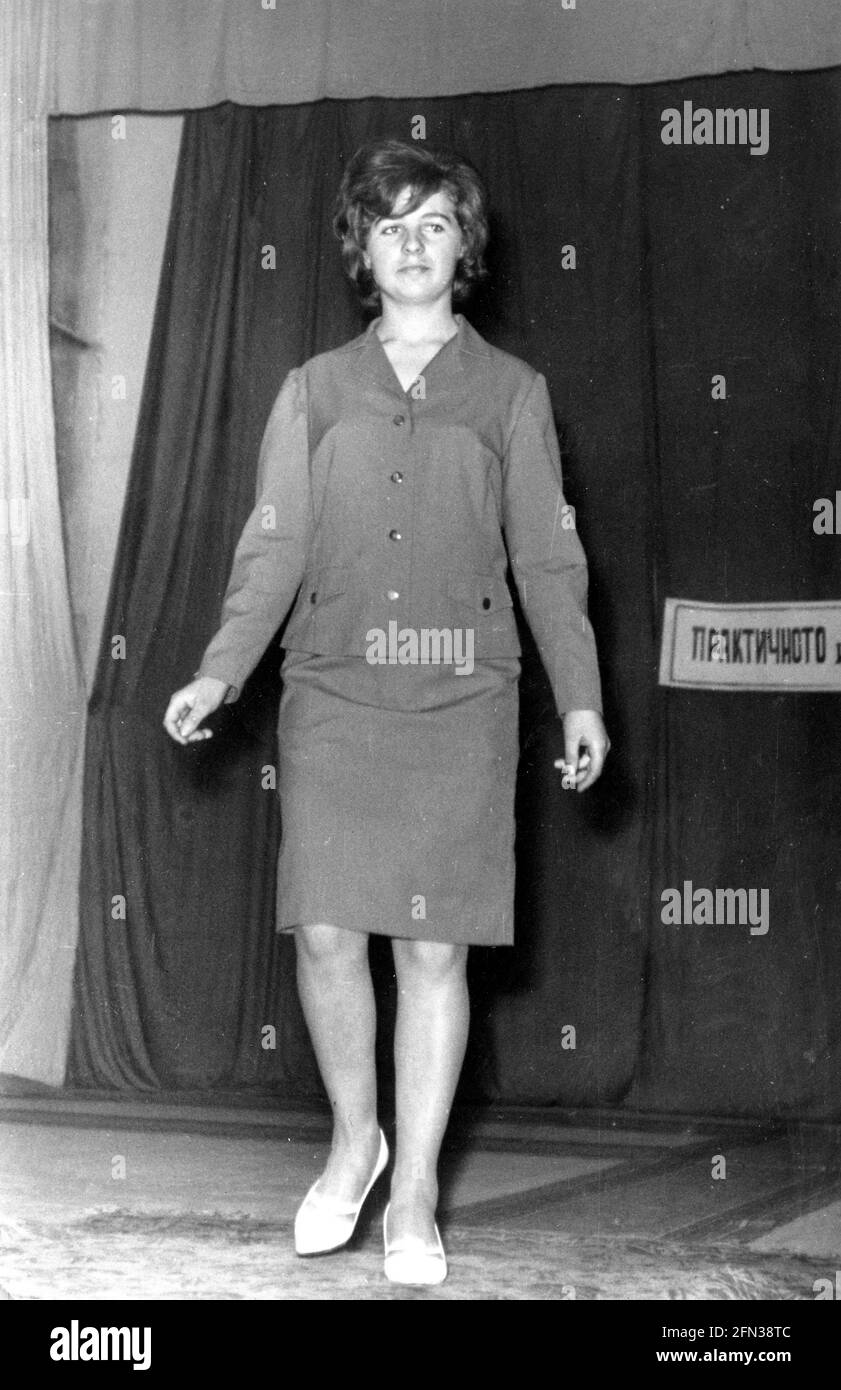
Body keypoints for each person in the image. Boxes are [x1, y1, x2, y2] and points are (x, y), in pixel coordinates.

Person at [163, 138, 609, 1287]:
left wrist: (581, 701)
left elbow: (549, 565)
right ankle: (352, 1140)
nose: (412, 240)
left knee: (429, 948)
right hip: (333, 690)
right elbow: (272, 548)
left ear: (465, 247)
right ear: (362, 251)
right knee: (323, 930)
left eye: (433, 222)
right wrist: (218, 672)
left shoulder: (514, 394)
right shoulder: (313, 389)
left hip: (462, 699)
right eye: (389, 223)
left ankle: (413, 1191)